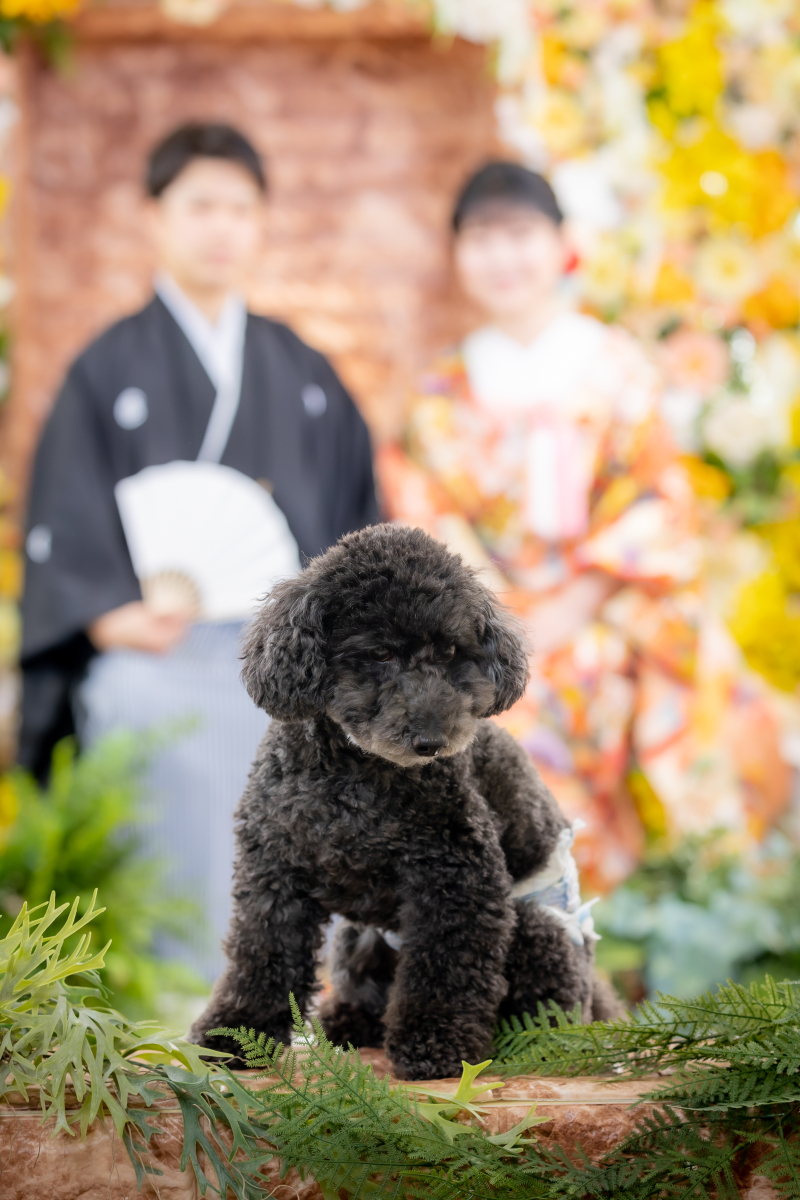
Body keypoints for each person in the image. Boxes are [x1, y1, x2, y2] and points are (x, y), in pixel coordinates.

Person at [20, 123, 379, 977]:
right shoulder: (105, 369)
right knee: (135, 705)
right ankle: (163, 979)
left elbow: (355, 521)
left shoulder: (306, 374)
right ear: (157, 217)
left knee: (324, 728)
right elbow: (63, 515)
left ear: (261, 224)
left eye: (239, 209)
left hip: (281, 657)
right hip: (158, 649)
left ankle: (306, 989)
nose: (221, 227)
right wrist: (104, 614)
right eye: (199, 206)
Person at [380, 160, 790, 894]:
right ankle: (537, 932)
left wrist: (574, 607)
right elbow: (428, 516)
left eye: (521, 234)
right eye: (481, 238)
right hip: (486, 626)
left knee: (692, 719)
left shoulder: (615, 369)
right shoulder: (442, 390)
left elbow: (658, 501)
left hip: (609, 609)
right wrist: (499, 618)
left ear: (562, 244)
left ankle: (656, 922)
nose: (502, 256)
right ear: (457, 256)